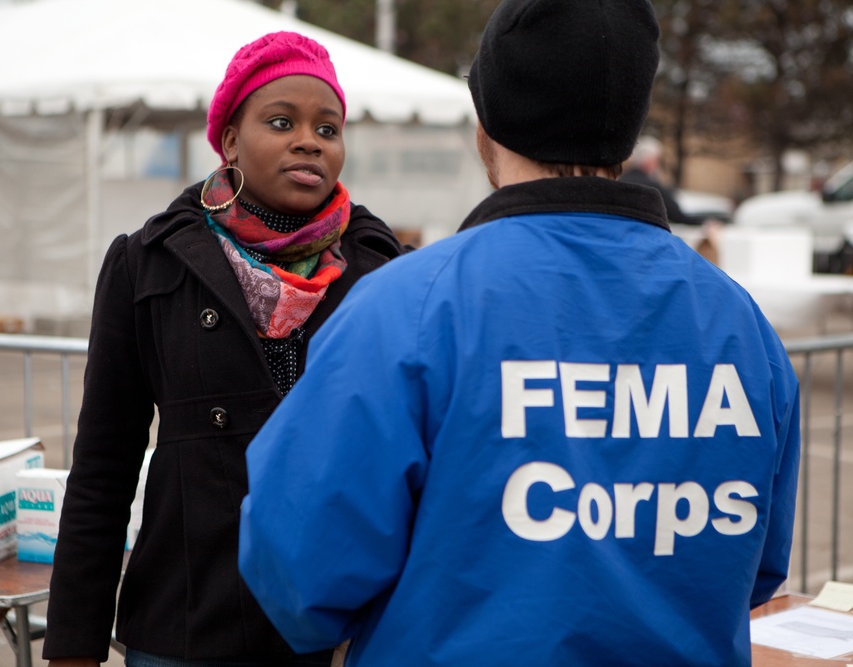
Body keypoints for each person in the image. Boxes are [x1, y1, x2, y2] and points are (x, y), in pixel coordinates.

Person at [238, 1, 800, 665]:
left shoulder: (408, 307)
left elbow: (302, 569)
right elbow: (754, 565)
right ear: (629, 128)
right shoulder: (740, 325)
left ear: (486, 126)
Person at [43, 31, 406, 667]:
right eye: (281, 121)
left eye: (328, 128)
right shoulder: (147, 264)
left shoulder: (380, 272)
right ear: (230, 139)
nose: (308, 141)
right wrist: (74, 643)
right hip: (188, 619)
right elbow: (104, 466)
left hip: (336, 628)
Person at [620, 135, 704, 225]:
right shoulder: (653, 188)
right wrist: (705, 221)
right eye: (657, 160)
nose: (658, 165)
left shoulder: (620, 181)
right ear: (649, 161)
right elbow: (678, 216)